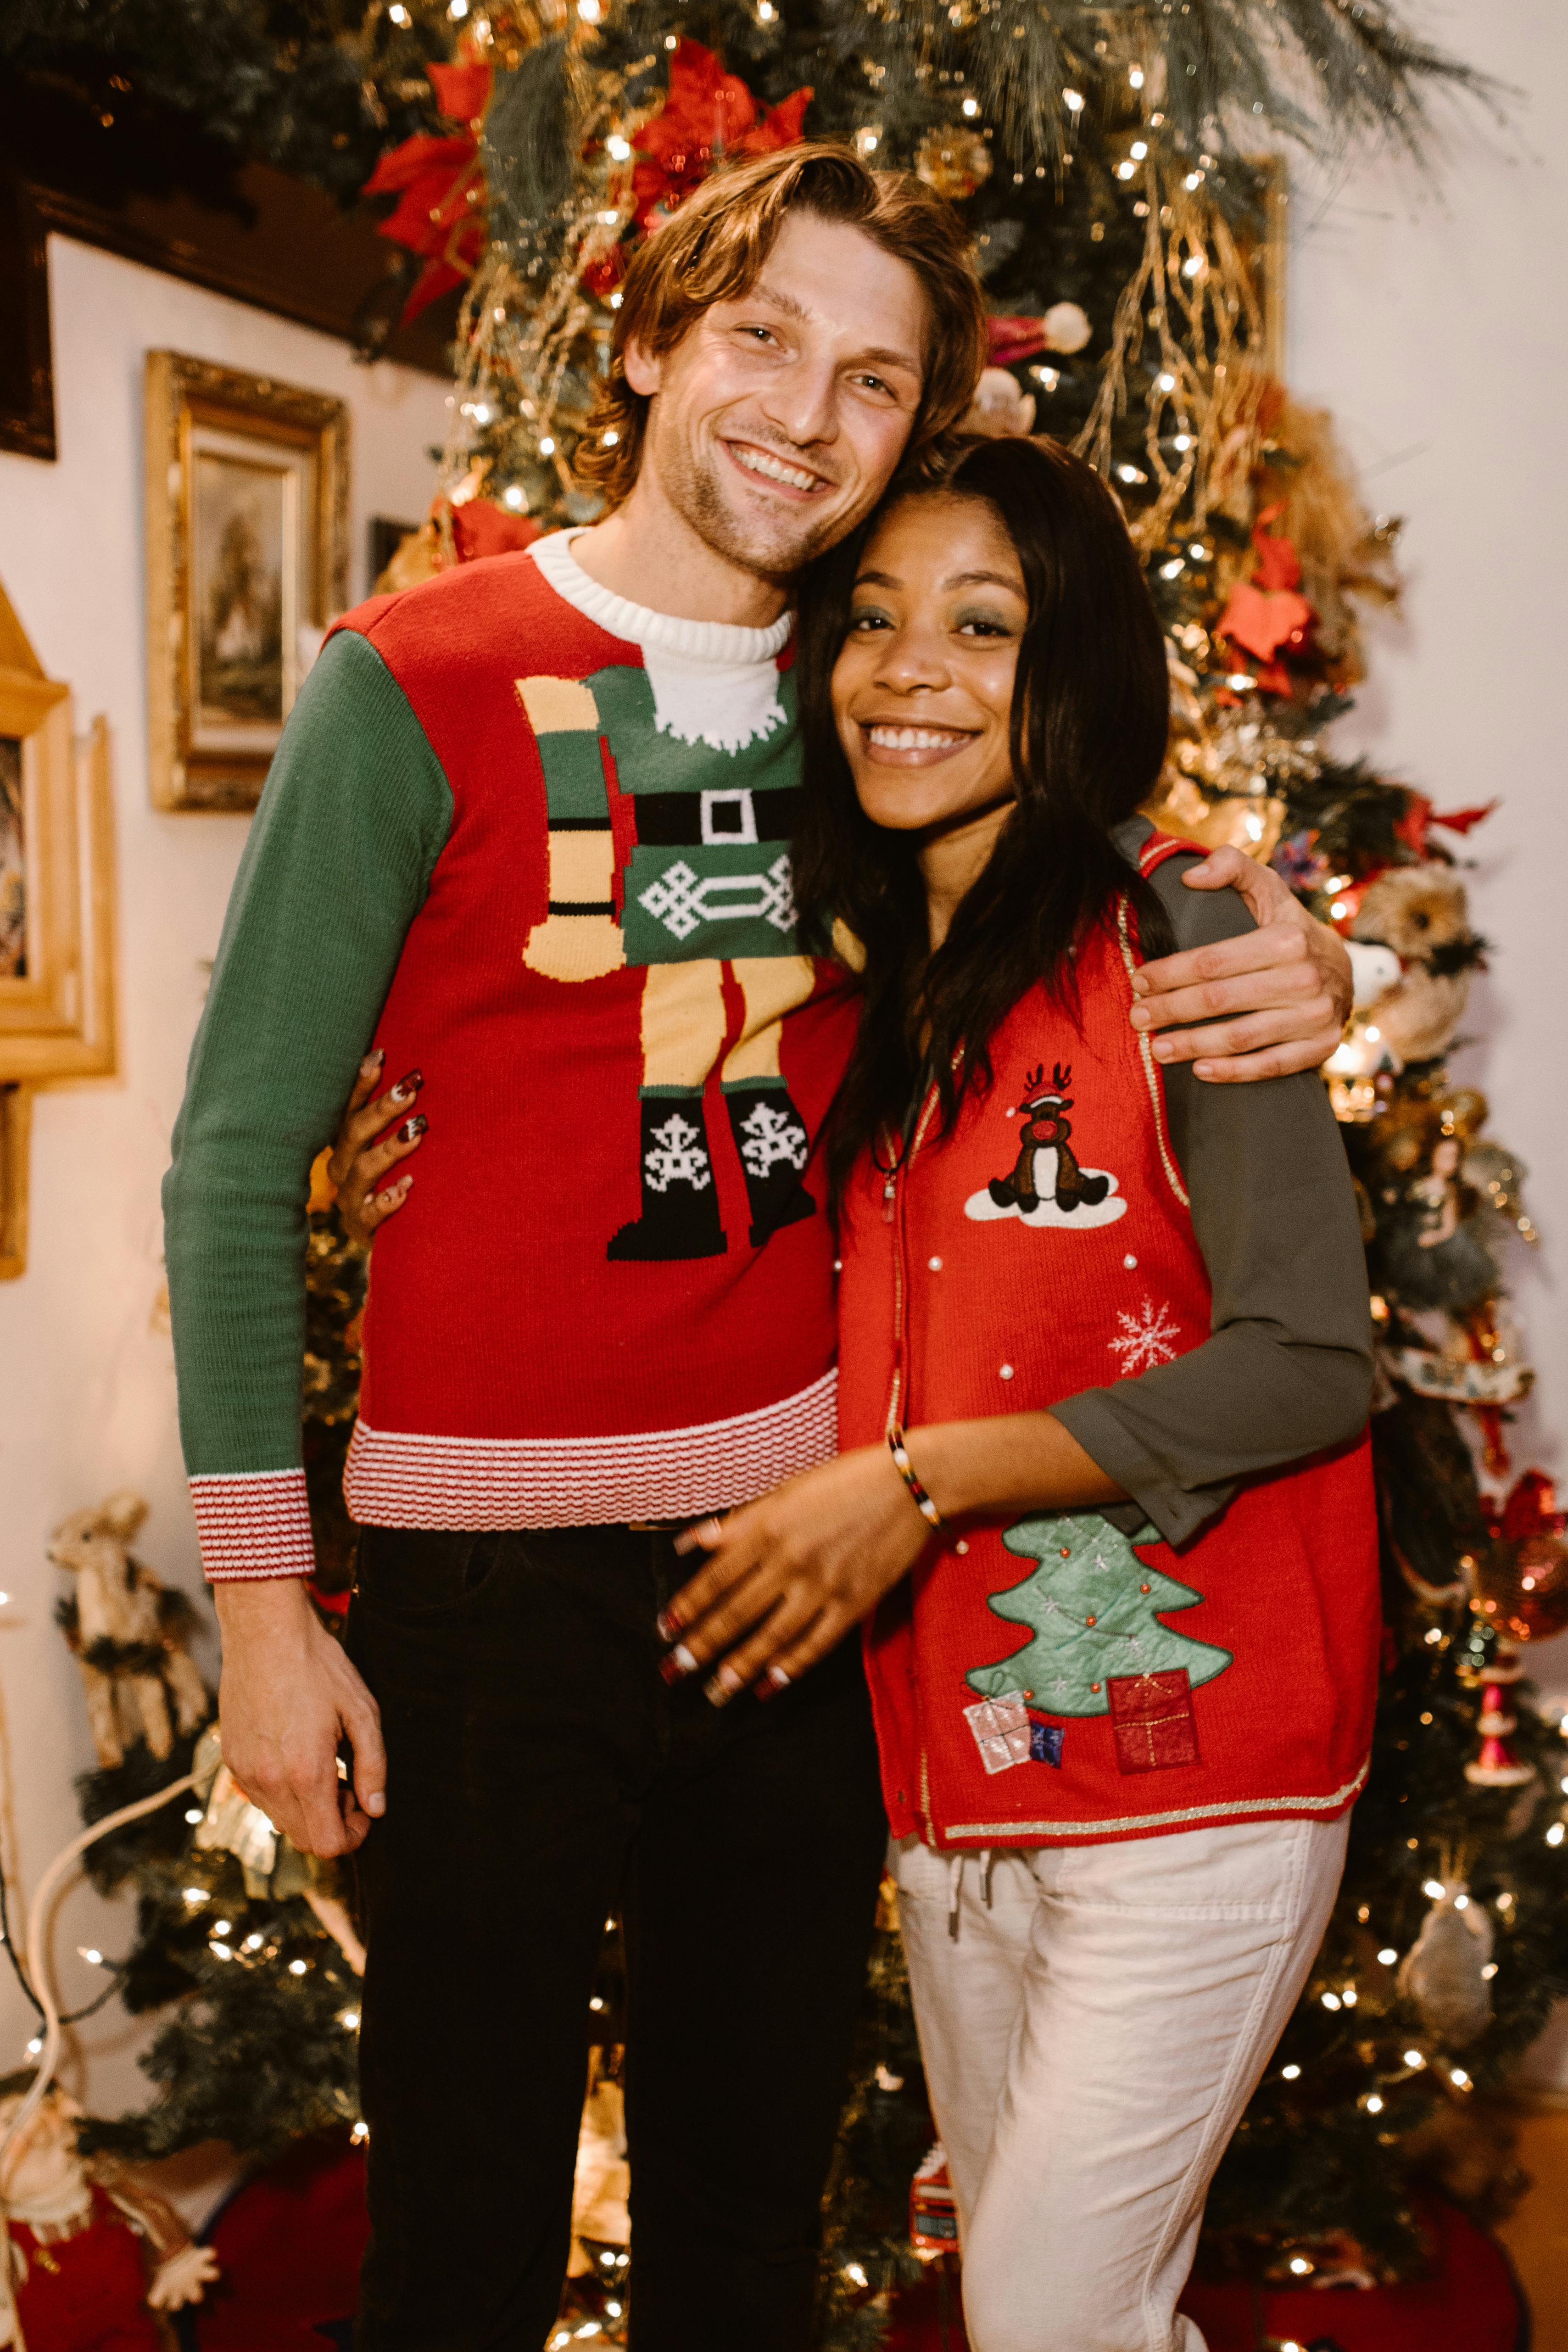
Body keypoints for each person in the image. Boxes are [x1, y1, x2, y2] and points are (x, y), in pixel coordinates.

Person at [164, 144, 1354, 2352]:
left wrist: (1294, 960)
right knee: (462, 2238)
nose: (809, 410)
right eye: (761, 334)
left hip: (793, 1568)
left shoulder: (869, 689)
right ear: (645, 342)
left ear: (923, 430)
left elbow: (1073, 871)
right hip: (487, 1587)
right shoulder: (404, 680)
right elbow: (238, 1159)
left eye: (877, 379)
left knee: (747, 2222)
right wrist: (258, 1609)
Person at [654, 435, 1379, 2352]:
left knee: (1052, 2316)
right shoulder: (853, 965)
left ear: (1079, 673)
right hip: (953, 1786)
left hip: (1201, 1780)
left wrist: (922, 1474)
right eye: (872, 620)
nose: (910, 670)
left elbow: (1312, 1357)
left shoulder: (1185, 935)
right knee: (1069, 2317)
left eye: (984, 626)